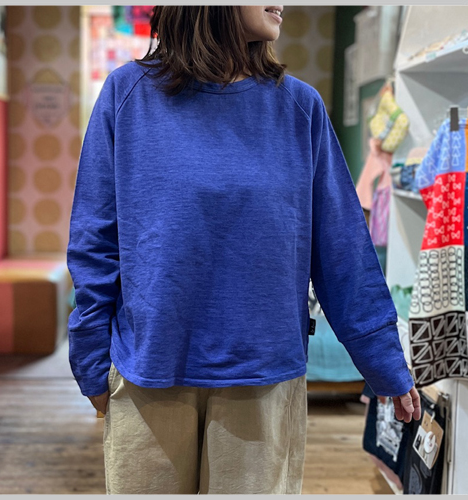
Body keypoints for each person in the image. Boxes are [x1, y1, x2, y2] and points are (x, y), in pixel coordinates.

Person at [66, 5, 421, 495]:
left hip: (263, 382)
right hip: (148, 375)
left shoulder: (300, 109)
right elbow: (95, 240)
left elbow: (342, 250)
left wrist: (385, 362)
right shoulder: (127, 96)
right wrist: (88, 359)